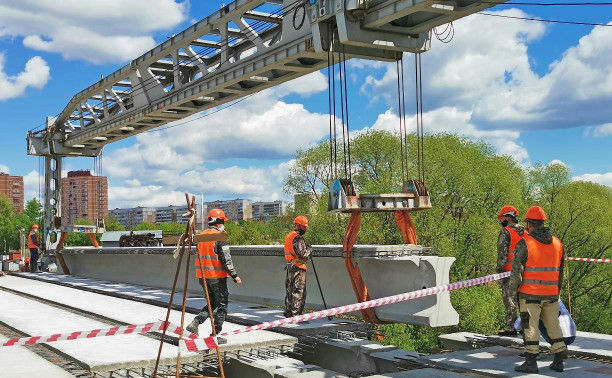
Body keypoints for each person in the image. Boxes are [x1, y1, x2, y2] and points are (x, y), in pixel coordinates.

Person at [509, 206, 566, 373]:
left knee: (529, 327)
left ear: (529, 224)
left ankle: (531, 362)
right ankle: (558, 361)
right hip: (551, 295)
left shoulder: (525, 243)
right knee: (553, 325)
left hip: (529, 295)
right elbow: (560, 272)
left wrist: (512, 293)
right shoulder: (558, 243)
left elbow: (516, 273)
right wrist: (557, 292)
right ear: (542, 223)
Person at [186, 209, 242, 343]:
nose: (223, 224)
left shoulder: (202, 236)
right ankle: (215, 336)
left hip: (203, 277)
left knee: (212, 303)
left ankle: (196, 322)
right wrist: (235, 275)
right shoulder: (219, 236)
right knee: (222, 305)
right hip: (216, 277)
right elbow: (226, 259)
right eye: (222, 221)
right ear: (218, 222)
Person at [496, 205, 526, 336]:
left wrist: (499, 270)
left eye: (502, 218)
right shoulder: (526, 232)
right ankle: (526, 327)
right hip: (525, 271)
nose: (501, 221)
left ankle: (510, 328)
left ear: (508, 218)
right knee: (523, 300)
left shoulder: (506, 232)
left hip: (510, 272)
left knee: (509, 299)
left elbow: (502, 253)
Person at [284, 215, 312, 318]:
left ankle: (288, 313)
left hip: (290, 266)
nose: (305, 228)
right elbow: (302, 254)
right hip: (298, 267)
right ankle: (296, 314)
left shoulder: (289, 236)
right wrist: (309, 249)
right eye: (304, 226)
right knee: (298, 291)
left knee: (289, 291)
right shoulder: (297, 238)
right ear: (298, 225)